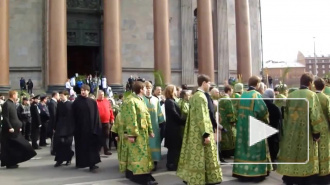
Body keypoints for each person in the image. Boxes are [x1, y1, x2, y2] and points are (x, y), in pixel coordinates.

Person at [277, 73, 326, 185]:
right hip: (306, 132)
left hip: (291, 131)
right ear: (310, 83)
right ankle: (305, 179)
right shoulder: (311, 95)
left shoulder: (291, 95)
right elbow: (315, 116)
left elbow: (286, 115)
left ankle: (290, 178)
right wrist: (316, 133)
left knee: (292, 154)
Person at [177, 74, 222, 185]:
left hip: (194, 131)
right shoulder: (201, 97)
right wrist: (205, 134)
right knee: (200, 155)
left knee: (197, 156)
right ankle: (201, 179)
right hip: (200, 131)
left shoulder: (195, 96)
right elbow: (202, 117)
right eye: (209, 83)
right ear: (204, 83)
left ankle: (197, 177)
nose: (210, 85)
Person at [232, 76, 271, 182]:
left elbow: (236, 110)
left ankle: (242, 173)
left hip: (242, 127)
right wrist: (266, 120)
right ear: (257, 84)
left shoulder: (243, 94)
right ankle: (256, 174)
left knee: (244, 148)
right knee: (256, 150)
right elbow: (262, 111)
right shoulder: (256, 95)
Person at [121, 81, 157, 185]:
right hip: (136, 134)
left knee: (143, 155)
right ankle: (140, 177)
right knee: (138, 156)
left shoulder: (141, 100)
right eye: (145, 88)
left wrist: (150, 130)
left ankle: (145, 175)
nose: (147, 90)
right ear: (141, 90)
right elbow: (131, 119)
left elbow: (147, 116)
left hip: (143, 133)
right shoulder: (131, 101)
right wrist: (131, 134)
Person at [1, 90, 36, 169]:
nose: (17, 96)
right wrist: (10, 127)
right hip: (10, 130)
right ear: (13, 95)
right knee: (11, 147)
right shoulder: (6, 104)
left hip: (15, 129)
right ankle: (10, 163)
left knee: (16, 146)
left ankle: (13, 161)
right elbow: (6, 118)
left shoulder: (12, 104)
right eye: (16, 95)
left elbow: (15, 117)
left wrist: (18, 125)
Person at [72, 84, 102, 172]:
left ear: (88, 91)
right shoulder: (76, 102)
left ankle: (92, 164)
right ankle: (81, 163)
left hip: (91, 129)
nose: (83, 92)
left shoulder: (92, 102)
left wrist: (97, 127)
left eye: (85, 90)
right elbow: (73, 116)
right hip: (80, 130)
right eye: (82, 90)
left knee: (92, 148)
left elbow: (97, 115)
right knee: (81, 147)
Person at [143, 81, 165, 171]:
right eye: (146, 88)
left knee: (155, 144)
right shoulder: (141, 99)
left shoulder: (156, 100)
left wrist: (162, 123)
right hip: (144, 127)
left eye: (149, 88)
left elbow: (159, 113)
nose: (148, 90)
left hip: (155, 127)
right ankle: (146, 163)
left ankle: (154, 163)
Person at [164, 85, 185, 171]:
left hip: (174, 127)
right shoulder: (169, 102)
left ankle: (173, 163)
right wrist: (183, 121)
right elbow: (174, 114)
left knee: (175, 147)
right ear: (171, 91)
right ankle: (170, 164)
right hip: (172, 128)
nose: (177, 91)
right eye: (175, 90)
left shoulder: (171, 101)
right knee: (173, 148)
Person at [314, 78, 330, 184]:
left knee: (315, 152)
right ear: (324, 87)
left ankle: (314, 173)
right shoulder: (326, 98)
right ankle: (324, 175)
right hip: (324, 128)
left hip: (313, 128)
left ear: (314, 86)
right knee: (324, 152)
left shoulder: (311, 97)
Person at [54, 91, 74, 167]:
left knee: (68, 144)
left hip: (69, 127)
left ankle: (68, 159)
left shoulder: (70, 104)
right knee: (60, 143)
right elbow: (57, 116)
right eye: (60, 96)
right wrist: (55, 126)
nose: (60, 97)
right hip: (60, 127)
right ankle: (59, 160)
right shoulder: (59, 104)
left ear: (66, 96)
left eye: (62, 95)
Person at [262, 89, 282, 167]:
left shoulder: (261, 104)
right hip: (273, 131)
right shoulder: (274, 107)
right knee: (273, 148)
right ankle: (273, 163)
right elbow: (279, 119)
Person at [219, 85, 236, 158]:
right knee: (228, 137)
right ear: (228, 91)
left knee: (223, 137)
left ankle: (223, 152)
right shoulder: (227, 99)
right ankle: (228, 153)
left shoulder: (221, 98)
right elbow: (230, 112)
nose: (232, 92)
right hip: (226, 121)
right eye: (231, 91)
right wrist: (232, 121)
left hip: (221, 120)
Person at [96, 90, 114, 156]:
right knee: (100, 136)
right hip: (99, 122)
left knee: (106, 135)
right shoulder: (95, 102)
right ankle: (99, 150)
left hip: (106, 122)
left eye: (103, 94)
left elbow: (110, 110)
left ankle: (106, 150)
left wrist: (112, 118)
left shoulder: (106, 101)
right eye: (100, 95)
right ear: (98, 95)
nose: (102, 96)